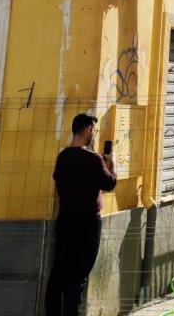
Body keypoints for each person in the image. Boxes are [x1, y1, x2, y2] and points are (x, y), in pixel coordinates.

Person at [45, 113, 117, 316]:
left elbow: (59, 180)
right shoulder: (93, 159)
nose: (93, 134)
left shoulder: (63, 157)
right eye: (93, 130)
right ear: (87, 130)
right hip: (87, 224)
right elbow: (109, 183)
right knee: (78, 274)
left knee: (58, 271)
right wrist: (111, 165)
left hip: (66, 219)